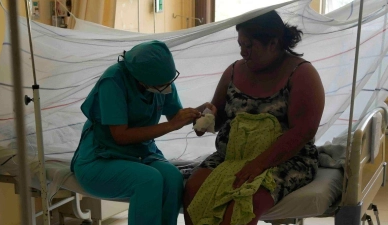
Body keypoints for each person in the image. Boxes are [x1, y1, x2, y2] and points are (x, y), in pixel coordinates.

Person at [183, 10, 325, 225]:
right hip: (233, 156)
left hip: (285, 159)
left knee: (243, 200)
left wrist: (259, 164)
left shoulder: (301, 74)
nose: (243, 53)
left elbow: (303, 132)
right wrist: (205, 118)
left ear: (273, 43)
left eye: (249, 46)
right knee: (194, 188)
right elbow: (219, 117)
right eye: (240, 45)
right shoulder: (233, 71)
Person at [70, 40, 201, 225]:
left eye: (169, 82)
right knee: (149, 180)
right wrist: (172, 125)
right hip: (101, 157)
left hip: (141, 153)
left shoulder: (161, 79)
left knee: (173, 178)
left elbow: (175, 117)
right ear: (140, 78)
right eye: (162, 84)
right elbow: (120, 136)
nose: (167, 88)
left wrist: (200, 113)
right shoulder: (113, 81)